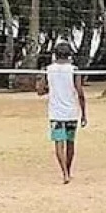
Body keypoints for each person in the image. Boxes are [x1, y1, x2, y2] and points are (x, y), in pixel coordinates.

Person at [37, 41, 86, 184]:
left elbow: (40, 91)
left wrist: (50, 88)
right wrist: (84, 113)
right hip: (71, 112)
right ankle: (68, 171)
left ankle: (64, 173)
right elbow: (80, 93)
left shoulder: (48, 70)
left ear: (55, 55)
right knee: (70, 143)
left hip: (56, 113)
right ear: (69, 55)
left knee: (59, 143)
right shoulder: (74, 70)